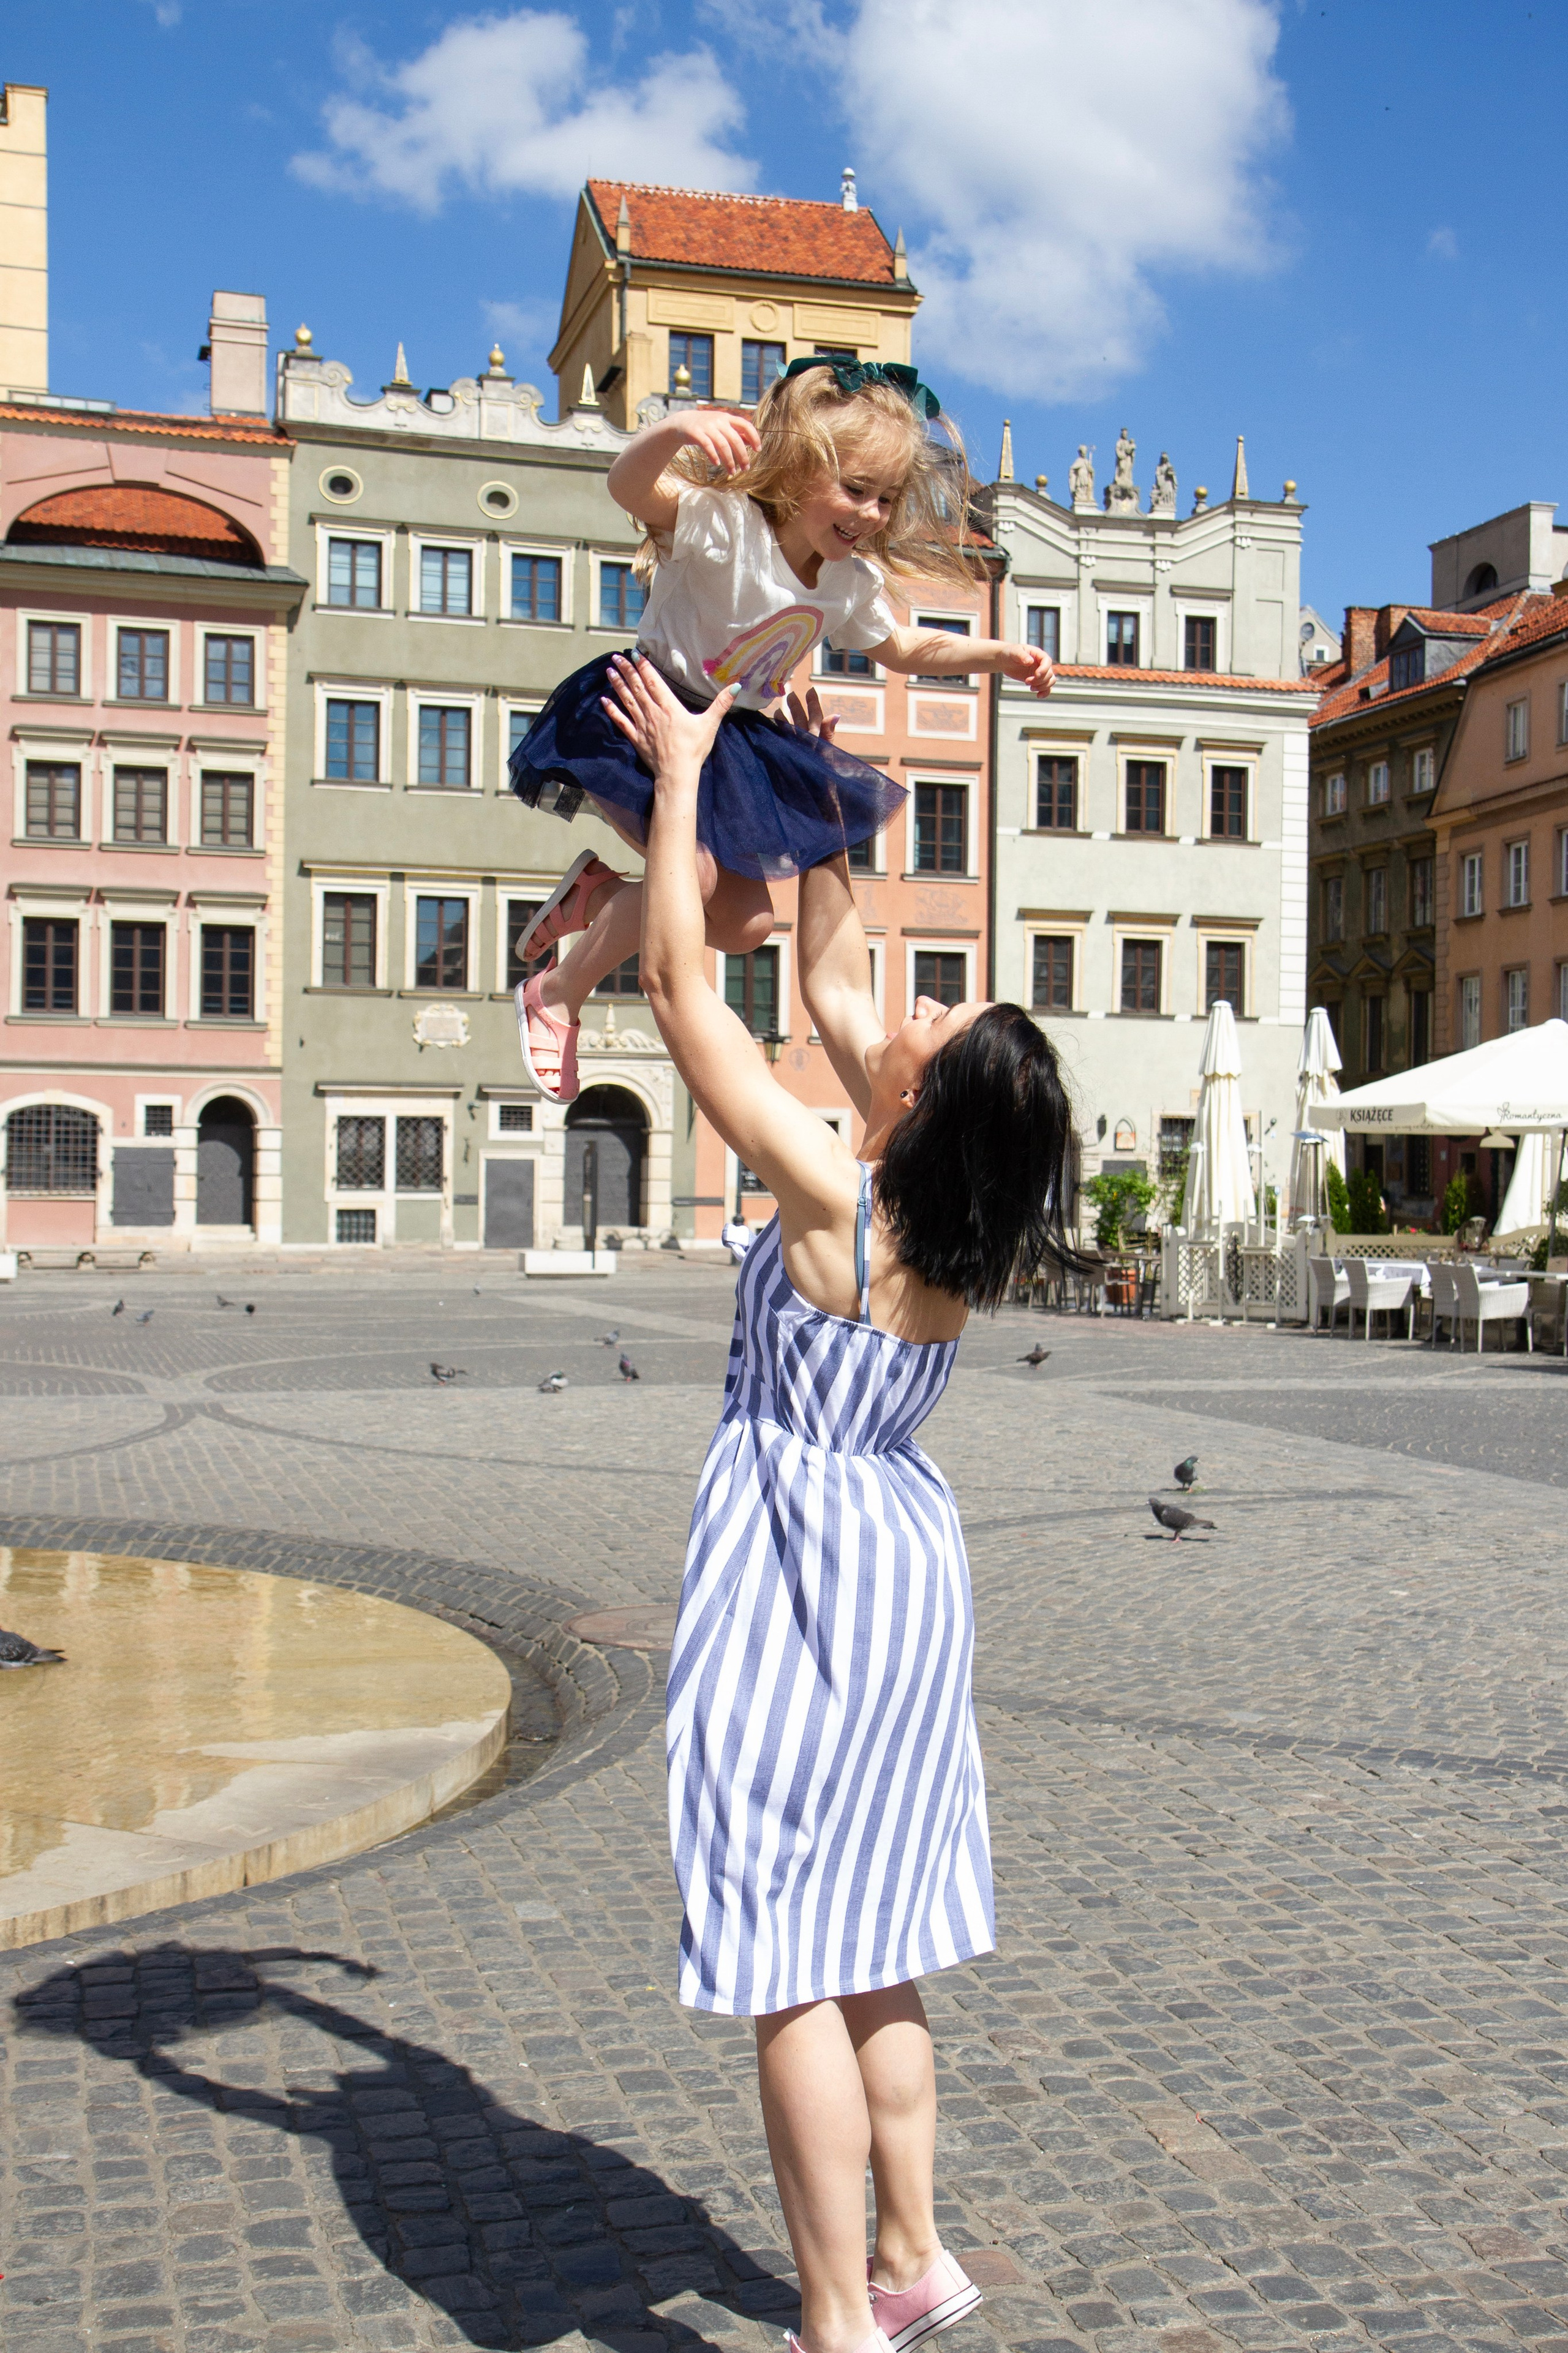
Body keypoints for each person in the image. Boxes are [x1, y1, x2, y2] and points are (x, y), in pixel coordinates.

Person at [601, 652, 1084, 2353]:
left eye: (937, 1029)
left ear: (923, 1101)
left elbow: (678, 990)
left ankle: (830, 2316)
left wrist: (680, 785)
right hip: (905, 1565)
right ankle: (914, 2250)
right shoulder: (945, 1233)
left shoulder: (833, 1193)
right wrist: (813, 804)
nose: (915, 1011)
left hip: (802, 1563)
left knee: (787, 1951)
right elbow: (834, 966)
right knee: (877, 1928)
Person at [507, 358, 1054, 1102]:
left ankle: (600, 899)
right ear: (797, 474)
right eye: (855, 490)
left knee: (744, 924)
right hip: (648, 708)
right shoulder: (725, 525)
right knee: (692, 875)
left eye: (886, 499)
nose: (869, 514)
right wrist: (674, 431)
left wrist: (996, 655)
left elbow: (903, 648)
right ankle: (559, 993)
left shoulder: (846, 580)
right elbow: (628, 489)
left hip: (728, 736)